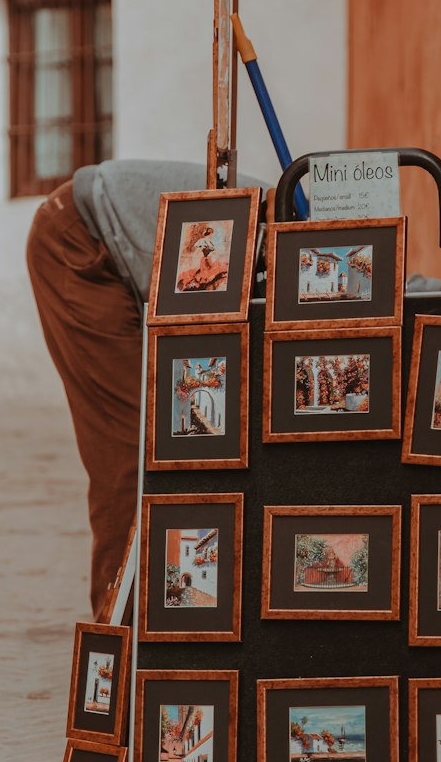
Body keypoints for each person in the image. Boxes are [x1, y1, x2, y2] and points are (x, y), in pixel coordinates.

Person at [26, 159, 263, 616]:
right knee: (131, 451)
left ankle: (179, 621)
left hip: (118, 247)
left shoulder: (313, 231)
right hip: (77, 240)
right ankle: (124, 640)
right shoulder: (299, 238)